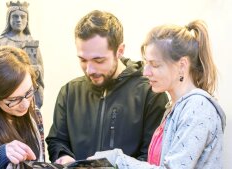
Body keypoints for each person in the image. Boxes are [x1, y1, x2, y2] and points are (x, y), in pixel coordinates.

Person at [88, 20, 226, 169]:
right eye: (146, 63)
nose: (146, 72)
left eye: (154, 65)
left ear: (182, 65)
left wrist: (117, 159)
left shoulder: (198, 108)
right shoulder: (175, 107)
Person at [45, 10, 168, 165]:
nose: (90, 70)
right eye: (83, 60)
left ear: (120, 51)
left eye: (99, 60)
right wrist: (64, 158)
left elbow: (151, 157)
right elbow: (57, 141)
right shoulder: (69, 92)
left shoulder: (150, 92)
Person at [0, 1, 44, 109]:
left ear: (27, 20)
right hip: (7, 98)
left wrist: (36, 70)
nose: (19, 20)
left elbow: (40, 70)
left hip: (28, 99)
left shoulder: (32, 43)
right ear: (9, 19)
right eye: (15, 16)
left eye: (22, 16)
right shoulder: (2, 43)